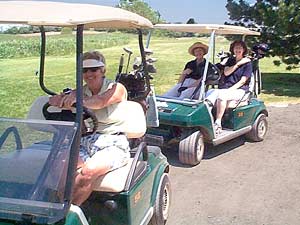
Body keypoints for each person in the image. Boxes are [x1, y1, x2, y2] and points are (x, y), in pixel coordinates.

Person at [49, 50, 130, 206]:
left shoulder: (116, 88)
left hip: (113, 143)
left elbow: (100, 101)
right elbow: (57, 98)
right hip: (85, 141)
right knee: (59, 166)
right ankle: (58, 206)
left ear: (103, 70)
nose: (89, 74)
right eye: (84, 70)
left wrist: (77, 100)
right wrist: (61, 99)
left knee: (88, 172)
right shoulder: (80, 90)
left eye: (94, 69)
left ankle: (68, 214)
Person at [205, 40, 252, 133]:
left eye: (240, 48)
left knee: (222, 96)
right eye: (236, 47)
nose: (238, 50)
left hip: (240, 90)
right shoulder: (230, 60)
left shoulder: (248, 64)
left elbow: (242, 81)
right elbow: (226, 73)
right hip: (226, 88)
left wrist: (229, 90)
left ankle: (217, 123)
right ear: (233, 49)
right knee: (209, 93)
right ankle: (206, 117)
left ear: (244, 50)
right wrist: (238, 64)